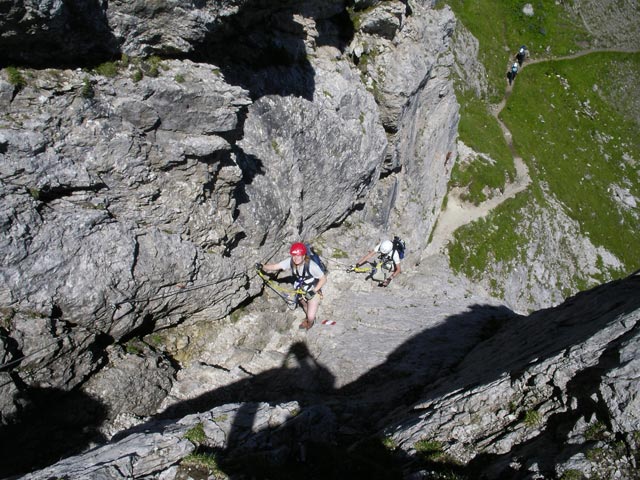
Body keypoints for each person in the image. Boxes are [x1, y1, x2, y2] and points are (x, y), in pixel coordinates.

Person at [260, 242, 327, 330]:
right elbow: (275, 266)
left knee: (311, 316)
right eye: (294, 255)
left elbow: (323, 279)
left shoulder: (312, 266)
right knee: (305, 305)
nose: (296, 258)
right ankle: (307, 319)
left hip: (313, 289)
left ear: (303, 256)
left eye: (299, 255)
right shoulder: (291, 261)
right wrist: (262, 266)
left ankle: (310, 322)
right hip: (300, 289)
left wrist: (313, 291)